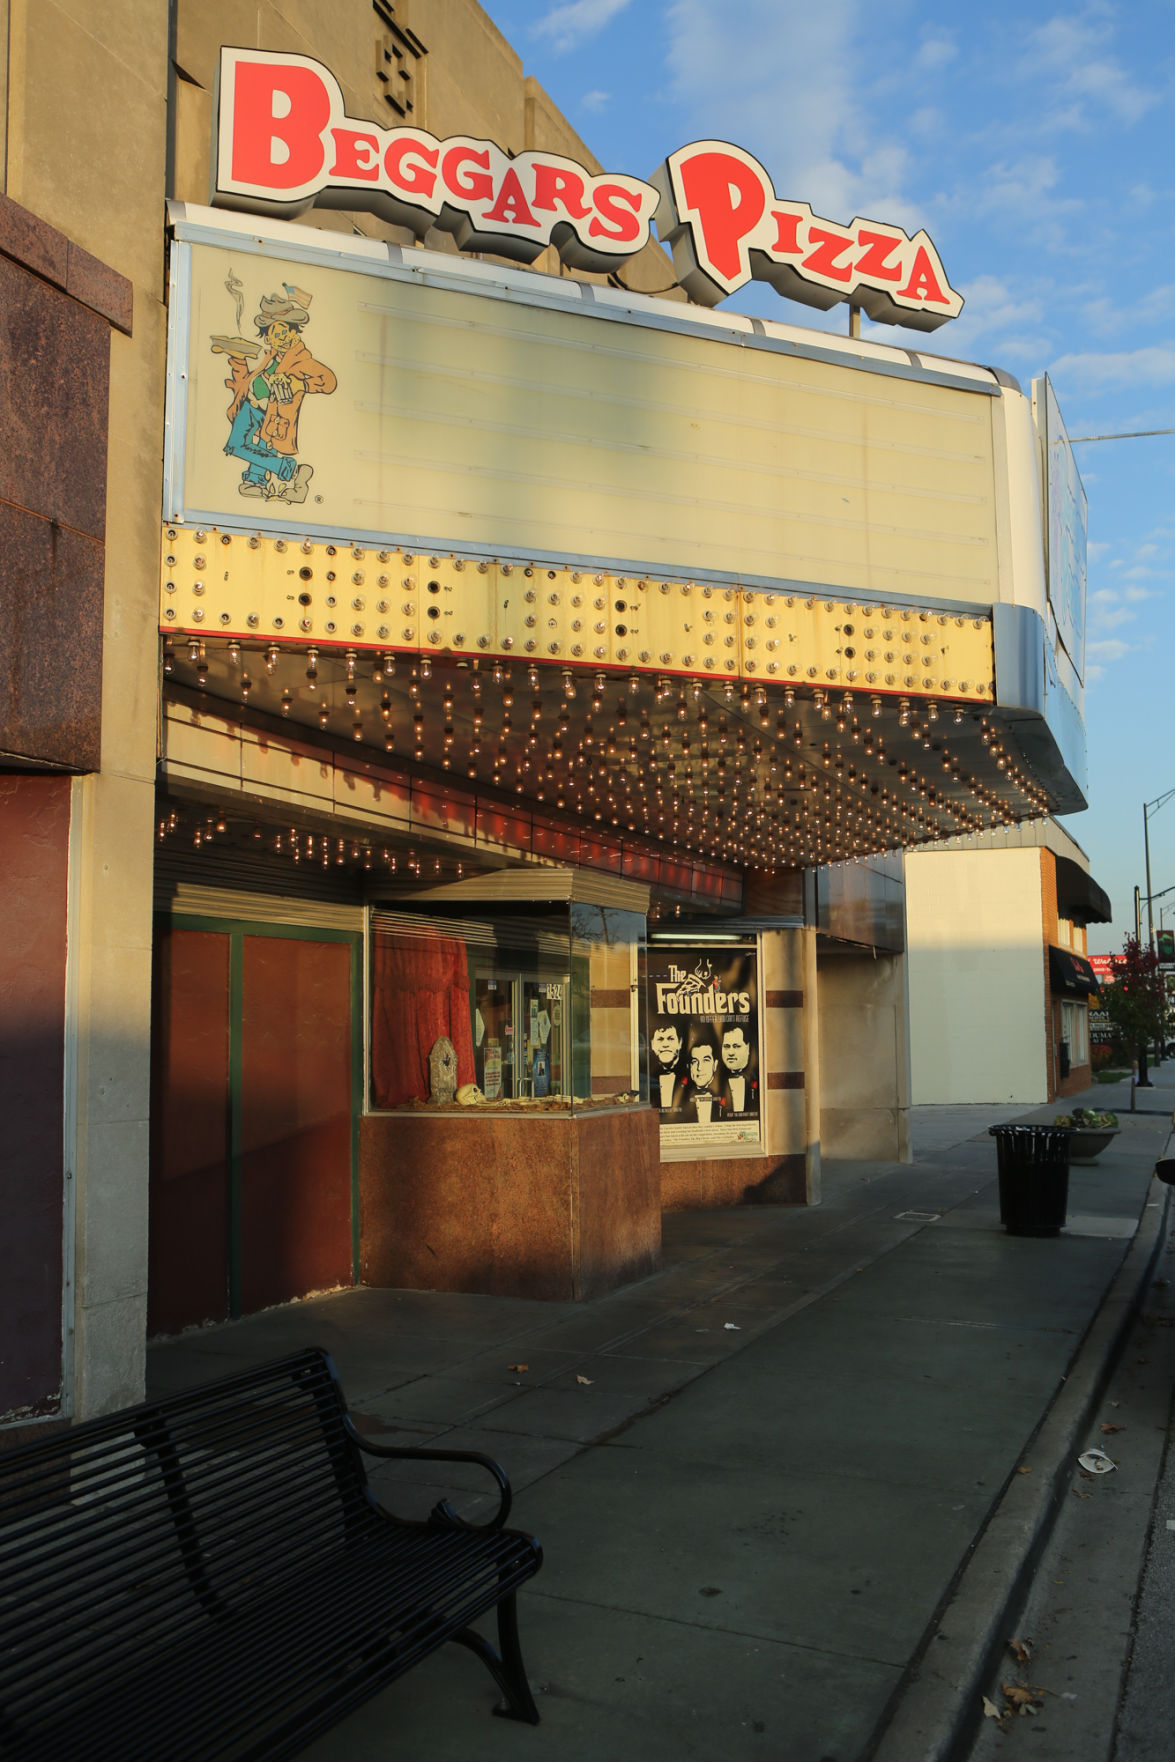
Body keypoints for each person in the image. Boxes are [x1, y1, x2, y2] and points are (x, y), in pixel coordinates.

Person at [214, 284, 337, 502]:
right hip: (252, 405)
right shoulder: (271, 355)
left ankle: (280, 472)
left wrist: (302, 385)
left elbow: (328, 381)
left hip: (274, 412)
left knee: (263, 443)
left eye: (285, 332)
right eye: (275, 334)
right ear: (268, 338)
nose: (281, 337)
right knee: (236, 444)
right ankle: (263, 479)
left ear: (293, 333)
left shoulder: (300, 358)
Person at [719, 1023, 758, 1118]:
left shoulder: (756, 1080)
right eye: (726, 1046)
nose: (731, 1053)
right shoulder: (717, 1083)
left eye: (736, 1046)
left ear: (747, 1048)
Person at [685, 1031, 722, 1125]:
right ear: (689, 1067)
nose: (699, 1068)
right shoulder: (683, 1100)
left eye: (705, 1060)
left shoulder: (723, 1099)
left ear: (715, 1065)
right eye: (695, 1062)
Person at [651, 1021, 688, 1113]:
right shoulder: (646, 1075)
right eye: (660, 1039)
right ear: (652, 1045)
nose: (665, 1044)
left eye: (671, 1039)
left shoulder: (689, 1073)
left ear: (680, 1043)